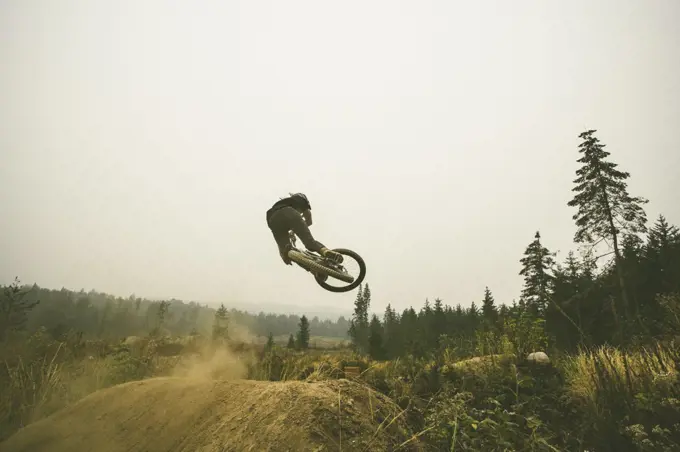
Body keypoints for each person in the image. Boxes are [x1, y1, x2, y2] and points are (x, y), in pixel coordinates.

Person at [266, 193, 343, 266]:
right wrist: (297, 228)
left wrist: (284, 254)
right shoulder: (300, 200)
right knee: (309, 243)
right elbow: (309, 221)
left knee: (287, 252)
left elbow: (280, 242)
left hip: (273, 221)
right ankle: (325, 251)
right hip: (290, 213)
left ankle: (312, 268)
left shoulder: (277, 206)